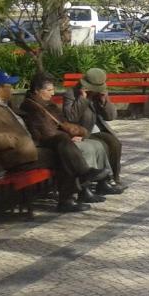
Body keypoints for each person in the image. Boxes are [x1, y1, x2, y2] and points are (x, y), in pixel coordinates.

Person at [0, 70, 89, 213]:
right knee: (61, 155)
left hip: (28, 150)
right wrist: (13, 140)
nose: (12, 89)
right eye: (9, 86)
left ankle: (79, 181)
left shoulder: (4, 105)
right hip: (15, 157)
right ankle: (72, 193)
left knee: (61, 142)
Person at [21, 73, 118, 204]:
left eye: (53, 89)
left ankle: (104, 180)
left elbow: (63, 122)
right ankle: (84, 188)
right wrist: (82, 100)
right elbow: (54, 127)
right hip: (51, 141)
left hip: (65, 136)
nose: (53, 93)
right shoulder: (32, 106)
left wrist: (104, 100)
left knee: (101, 144)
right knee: (87, 148)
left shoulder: (47, 104)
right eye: (49, 90)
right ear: (37, 91)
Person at [63, 68, 125, 188]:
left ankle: (114, 177)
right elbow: (71, 117)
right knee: (103, 145)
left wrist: (104, 101)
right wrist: (82, 99)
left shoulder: (99, 94)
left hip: (96, 130)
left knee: (115, 143)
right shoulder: (71, 94)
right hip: (81, 131)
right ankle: (103, 179)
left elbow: (111, 117)